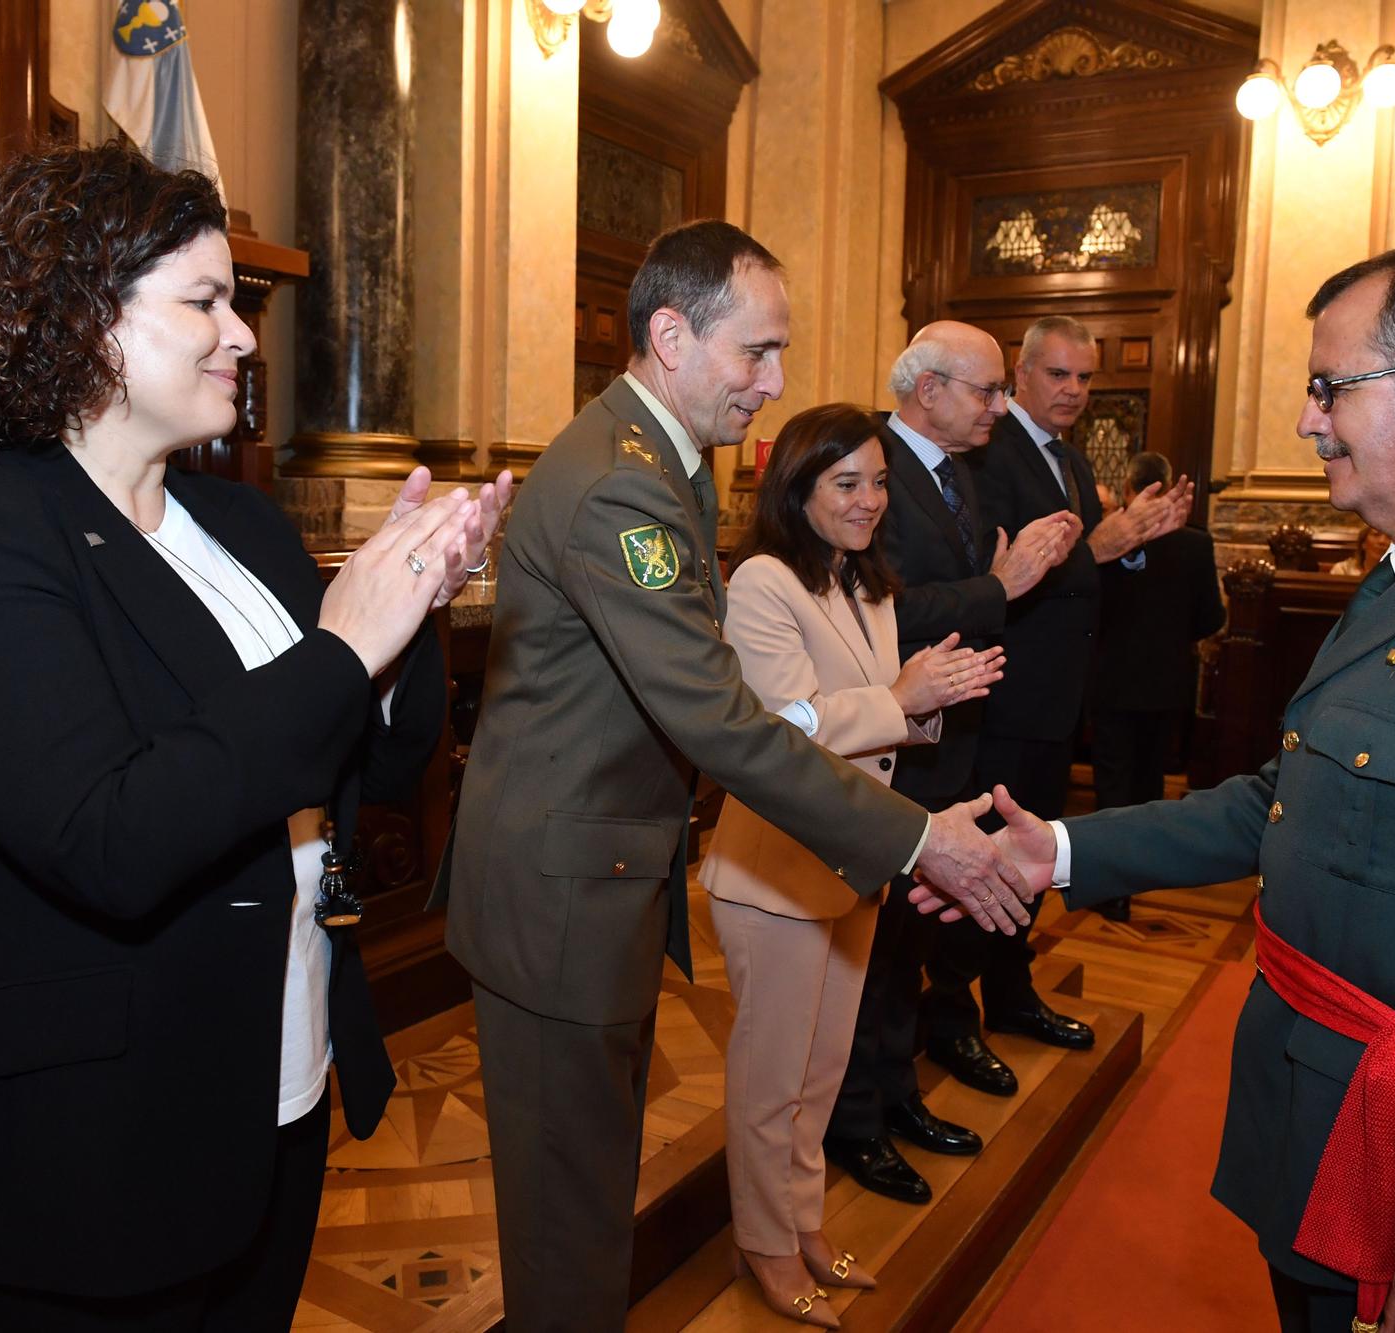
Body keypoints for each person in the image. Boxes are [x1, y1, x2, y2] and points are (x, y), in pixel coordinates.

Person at [0, 142, 510, 1331]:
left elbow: (372, 763)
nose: (246, 337)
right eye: (203, 302)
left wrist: (406, 613)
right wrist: (339, 649)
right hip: (82, 1141)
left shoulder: (241, 521)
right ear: (78, 321)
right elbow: (109, 835)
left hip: (275, 1074)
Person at [990, 237, 1395, 1333]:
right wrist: (1058, 851)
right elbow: (1284, 800)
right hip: (1316, 1125)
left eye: (1326, 387)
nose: (1305, 419)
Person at [432, 220, 1040, 1331]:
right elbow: (720, 718)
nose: (774, 382)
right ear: (671, 335)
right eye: (755, 352)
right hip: (561, 893)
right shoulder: (622, 484)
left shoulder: (652, 461)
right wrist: (916, 839)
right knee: (568, 1209)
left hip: (593, 874)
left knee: (586, 1178)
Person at [702, 402, 1004, 1326]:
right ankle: (763, 1242)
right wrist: (898, 695)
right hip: (775, 874)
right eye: (847, 483)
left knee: (821, 1073)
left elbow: (879, 719)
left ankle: (800, 1222)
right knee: (772, 1082)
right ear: (797, 488)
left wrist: (929, 699)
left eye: (877, 481)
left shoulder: (865, 583)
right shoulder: (761, 581)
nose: (871, 499)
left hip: (853, 859)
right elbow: (779, 728)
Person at [824, 322, 1082, 1204]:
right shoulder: (869, 476)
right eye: (986, 390)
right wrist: (998, 590)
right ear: (927, 389)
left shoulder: (959, 471)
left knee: (909, 942)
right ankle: (856, 1120)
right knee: (869, 947)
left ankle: (896, 1093)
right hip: (890, 749)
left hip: (951, 739)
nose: (999, 407)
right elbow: (878, 605)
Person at [928, 317, 1193, 1087]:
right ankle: (948, 1012)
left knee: (1029, 869)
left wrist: (1135, 540)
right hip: (1000, 704)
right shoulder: (988, 452)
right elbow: (997, 572)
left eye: (1084, 378)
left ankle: (1011, 994)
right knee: (976, 869)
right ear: (1021, 372)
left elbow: (1081, 574)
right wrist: (1105, 544)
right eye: (1058, 375)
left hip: (1056, 706)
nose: (1074, 391)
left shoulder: (1071, 462)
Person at [1085, 450, 1226, 922]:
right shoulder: (1195, 544)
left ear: (1128, 489)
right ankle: (1139, 872)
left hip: (1110, 680)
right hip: (1166, 683)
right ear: (1164, 486)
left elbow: (1088, 612)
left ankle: (1110, 887)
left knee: (1113, 784)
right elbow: (1212, 617)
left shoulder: (1104, 542)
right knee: (1149, 785)